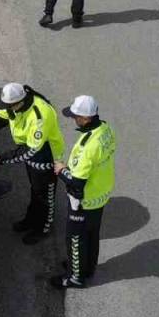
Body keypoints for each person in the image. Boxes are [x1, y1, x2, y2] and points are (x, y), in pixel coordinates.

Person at [0, 82, 66, 244]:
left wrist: (0, 158)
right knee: (35, 190)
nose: (7, 109)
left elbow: (31, 150)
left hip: (46, 157)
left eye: (10, 106)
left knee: (45, 196)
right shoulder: (13, 106)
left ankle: (43, 228)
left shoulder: (40, 116)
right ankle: (31, 220)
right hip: (31, 154)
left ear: (20, 102)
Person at [51, 95, 117, 289]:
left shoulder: (88, 147)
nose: (73, 119)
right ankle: (87, 267)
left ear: (86, 118)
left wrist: (61, 170)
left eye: (76, 116)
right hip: (100, 194)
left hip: (83, 200)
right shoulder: (106, 129)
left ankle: (75, 277)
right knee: (92, 234)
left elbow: (77, 182)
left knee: (75, 238)